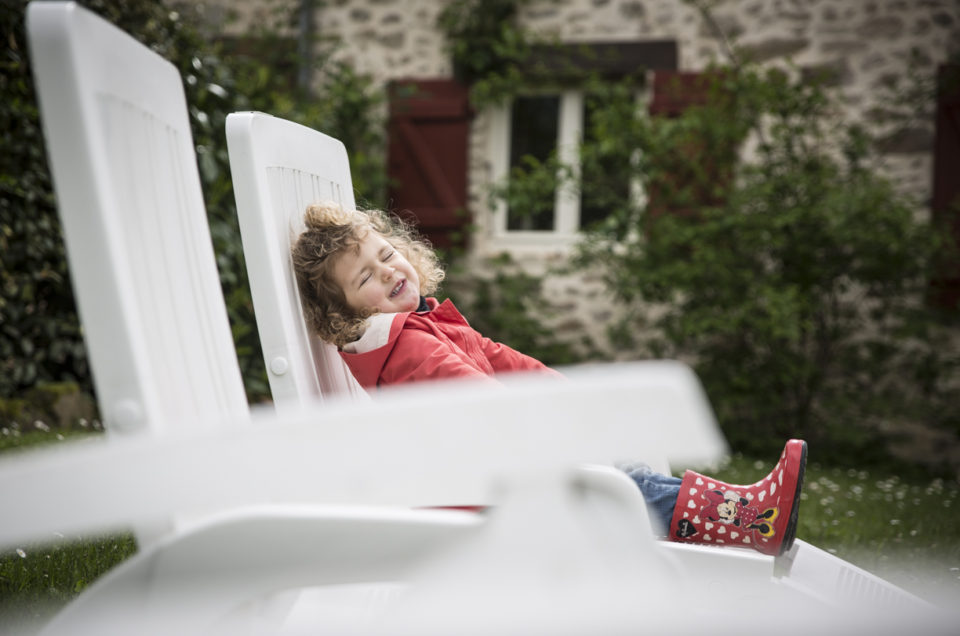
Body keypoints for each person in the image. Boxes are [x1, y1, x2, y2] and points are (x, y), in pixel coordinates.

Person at [291, 202, 807, 557]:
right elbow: (484, 402)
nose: (386, 271)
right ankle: (749, 521)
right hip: (480, 491)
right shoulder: (406, 348)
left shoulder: (424, 321)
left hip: (499, 467)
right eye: (365, 278)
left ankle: (738, 519)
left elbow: (507, 363)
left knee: (623, 470)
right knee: (621, 484)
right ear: (347, 316)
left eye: (386, 255)